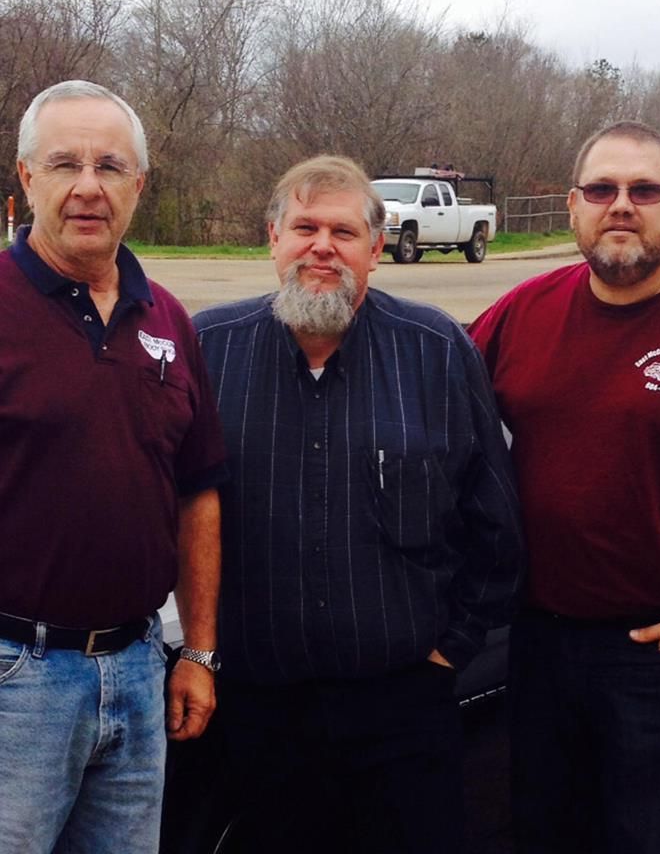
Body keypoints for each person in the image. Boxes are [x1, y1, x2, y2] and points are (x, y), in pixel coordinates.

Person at [194, 154, 523, 854]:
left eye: (343, 232)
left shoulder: (436, 351)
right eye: (304, 227)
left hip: (404, 708)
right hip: (260, 708)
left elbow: (495, 521)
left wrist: (452, 650)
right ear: (273, 238)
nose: (322, 246)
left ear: (376, 249)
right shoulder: (209, 351)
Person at [469, 120, 660, 854]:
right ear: (573, 206)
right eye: (603, 190)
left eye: (643, 190)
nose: (622, 205)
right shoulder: (521, 314)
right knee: (544, 835)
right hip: (538, 645)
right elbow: (433, 413)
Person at [0, 80, 227, 853]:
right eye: (65, 164)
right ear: (27, 179)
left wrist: (196, 650)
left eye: (110, 165)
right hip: (15, 682)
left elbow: (197, 492)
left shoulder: (166, 317)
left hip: (138, 671)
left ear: (139, 185)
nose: (88, 186)